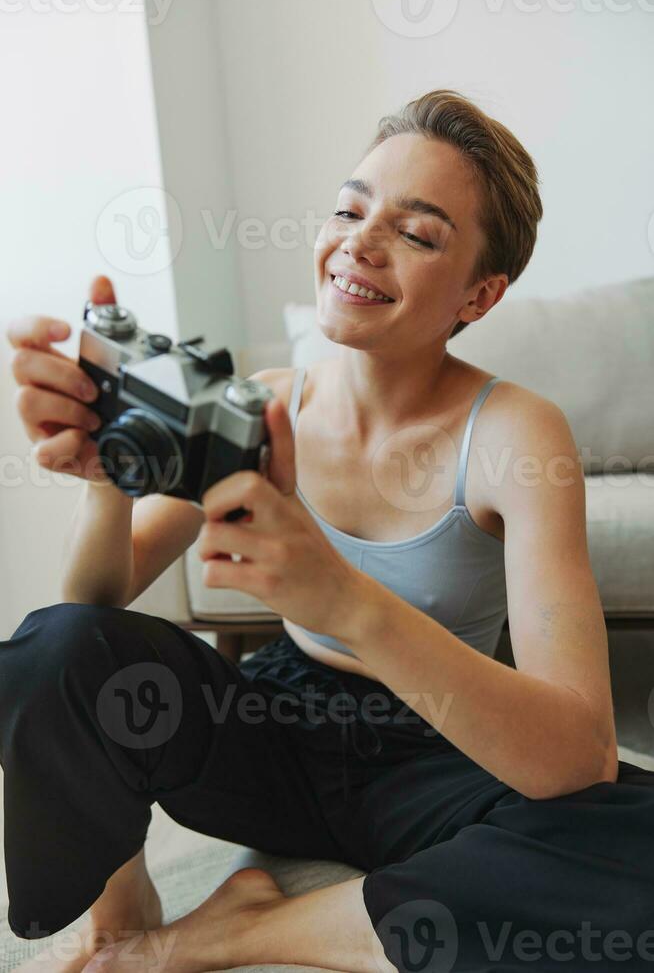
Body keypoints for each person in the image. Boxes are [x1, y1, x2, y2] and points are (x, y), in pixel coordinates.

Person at [3, 89, 654, 973]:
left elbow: (580, 758)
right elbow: (87, 624)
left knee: (635, 850)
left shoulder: (516, 434)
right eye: (350, 209)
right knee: (53, 648)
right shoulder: (264, 406)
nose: (361, 241)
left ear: (480, 294)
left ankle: (236, 931)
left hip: (438, 742)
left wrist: (340, 598)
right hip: (271, 726)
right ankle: (125, 915)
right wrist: (108, 482)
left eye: (418, 234)